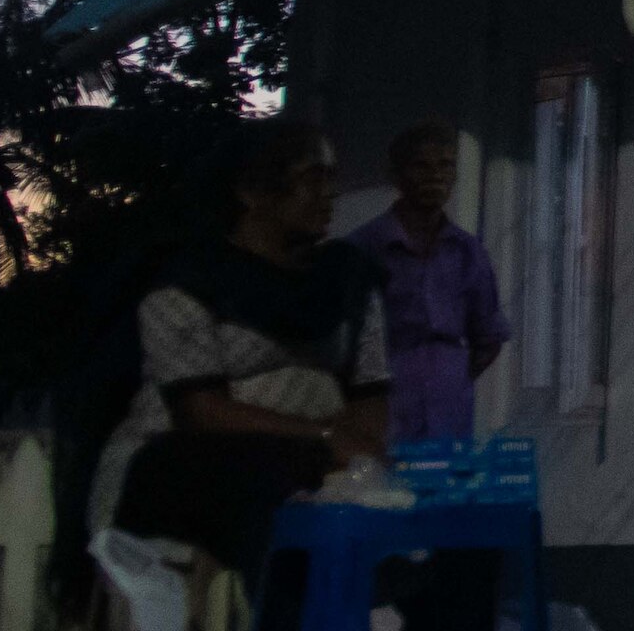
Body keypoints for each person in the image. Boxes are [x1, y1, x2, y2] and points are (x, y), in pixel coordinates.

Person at [91, 114, 392, 569]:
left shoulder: (346, 282)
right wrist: (327, 437)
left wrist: (358, 450)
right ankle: (279, 630)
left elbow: (370, 392)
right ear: (251, 193)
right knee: (278, 489)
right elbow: (202, 412)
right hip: (181, 467)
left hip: (315, 467)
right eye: (312, 179)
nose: (328, 194)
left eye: (332, 179)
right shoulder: (189, 284)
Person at [360, 121, 511, 441]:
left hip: (449, 408)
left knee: (447, 486)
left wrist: (449, 374)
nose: (435, 175)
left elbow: (489, 336)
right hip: (383, 405)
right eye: (421, 165)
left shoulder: (468, 251)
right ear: (396, 176)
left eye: (445, 165)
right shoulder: (365, 247)